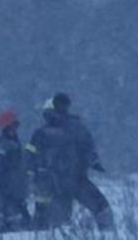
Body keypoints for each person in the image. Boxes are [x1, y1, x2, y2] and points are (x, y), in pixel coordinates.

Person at [25, 94, 113, 231]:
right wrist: (94, 162)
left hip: (57, 182)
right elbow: (89, 148)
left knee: (60, 221)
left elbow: (30, 157)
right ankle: (110, 234)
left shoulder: (42, 132)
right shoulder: (77, 127)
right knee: (100, 207)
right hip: (75, 179)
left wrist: (34, 174)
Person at [0, 109, 31, 232]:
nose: (14, 129)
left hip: (17, 189)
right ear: (6, 127)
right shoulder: (1, 144)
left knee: (21, 224)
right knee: (14, 226)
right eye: (12, 126)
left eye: (15, 126)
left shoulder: (14, 143)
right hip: (7, 191)